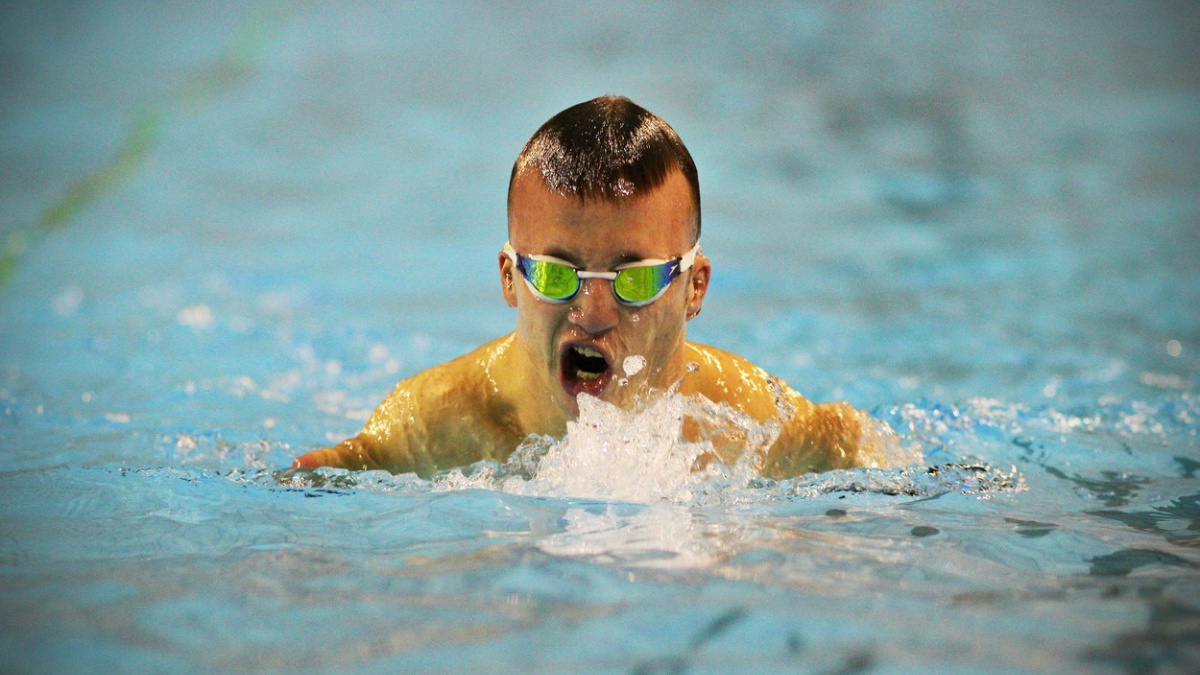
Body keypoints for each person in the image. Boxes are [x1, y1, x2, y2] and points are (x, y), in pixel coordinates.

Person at [294, 95, 896, 478]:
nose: (593, 311)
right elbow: (336, 481)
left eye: (633, 280)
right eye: (558, 275)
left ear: (695, 288)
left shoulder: (752, 425)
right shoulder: (437, 424)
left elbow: (875, 463)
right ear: (510, 278)